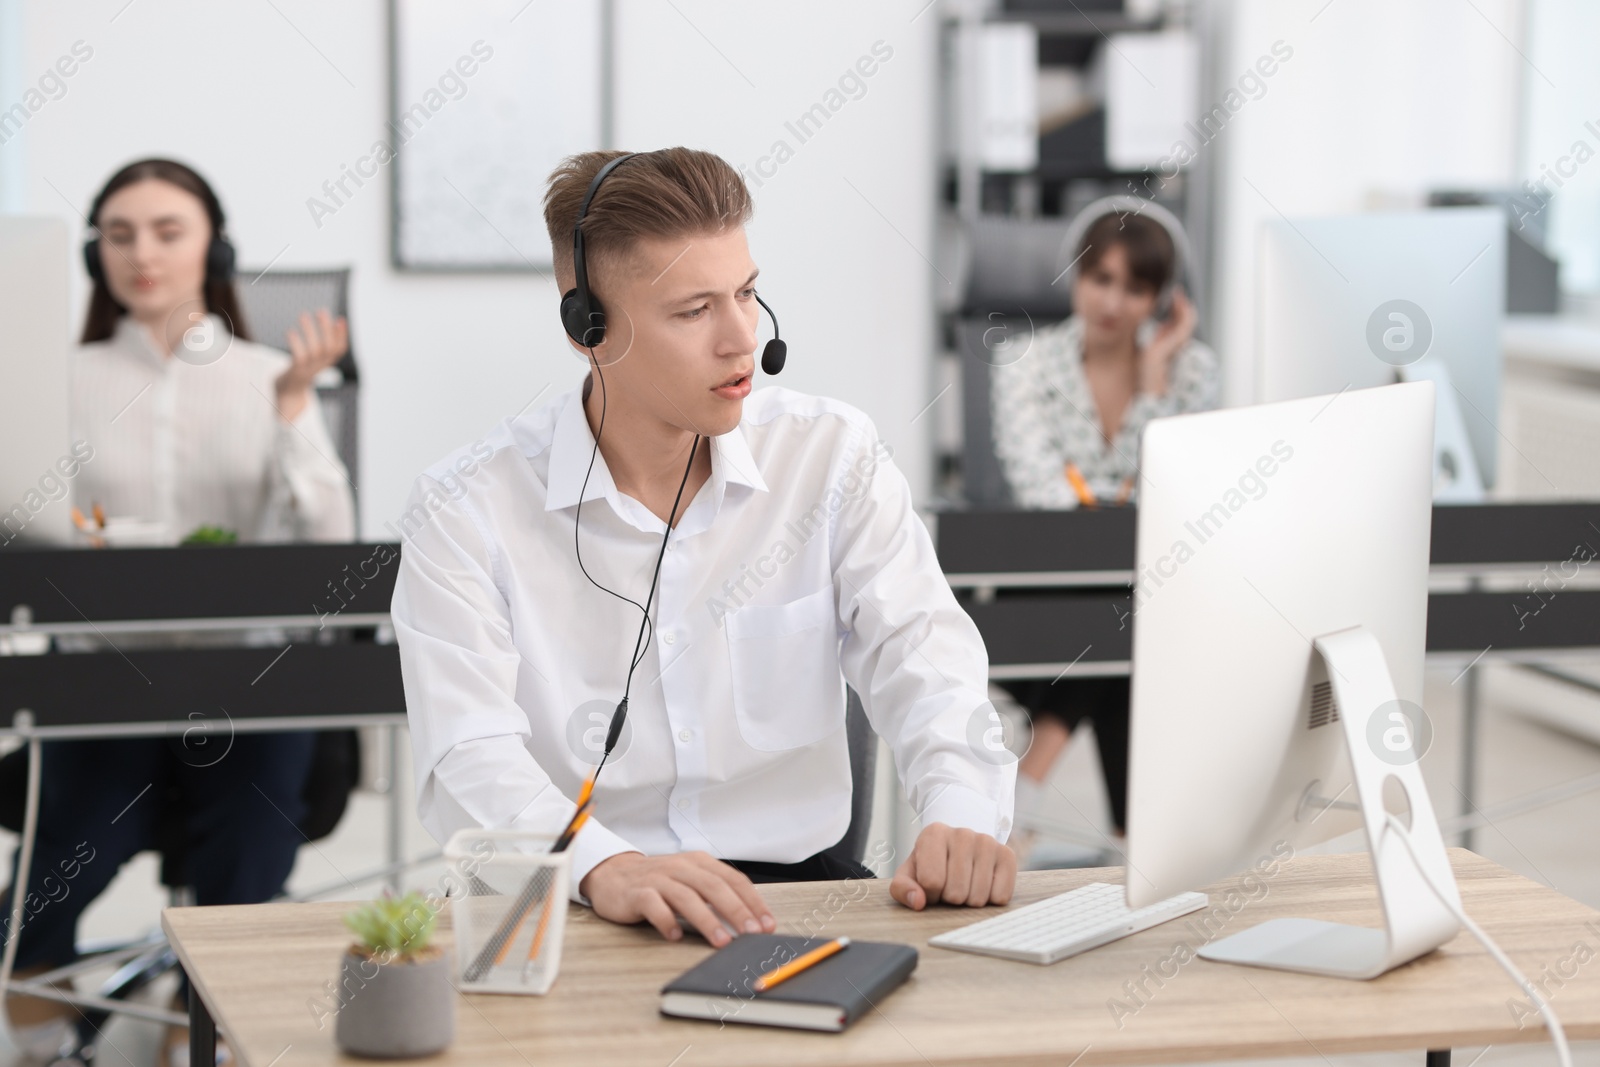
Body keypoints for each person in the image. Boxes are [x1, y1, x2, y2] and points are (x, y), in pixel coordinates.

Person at [392, 147, 1016, 948]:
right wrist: (599, 864)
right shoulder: (466, 507)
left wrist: (962, 810)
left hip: (791, 902)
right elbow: (466, 753)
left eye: (748, 293)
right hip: (573, 900)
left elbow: (925, 657)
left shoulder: (829, 455)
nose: (741, 339)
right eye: (694, 311)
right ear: (589, 327)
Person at [2, 158, 355, 1066]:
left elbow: (329, 535)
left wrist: (289, 411)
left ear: (213, 247)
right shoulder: (53, 378)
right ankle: (47, 1031)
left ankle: (209, 1026)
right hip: (103, 682)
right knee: (40, 891)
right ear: (94, 254)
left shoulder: (272, 375)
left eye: (167, 231)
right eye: (119, 235)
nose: (141, 253)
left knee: (242, 879)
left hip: (246, 687)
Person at [989, 199, 1220, 867]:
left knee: (1127, 609)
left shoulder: (1192, 372)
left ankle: (1023, 794)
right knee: (1125, 617)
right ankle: (1133, 839)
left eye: (1136, 286)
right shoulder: (1023, 362)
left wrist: (1152, 385)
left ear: (1163, 297)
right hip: (1046, 583)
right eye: (1101, 279)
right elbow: (1044, 492)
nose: (1113, 301)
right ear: (1077, 277)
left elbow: (1171, 494)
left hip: (1146, 581)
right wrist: (1117, 514)